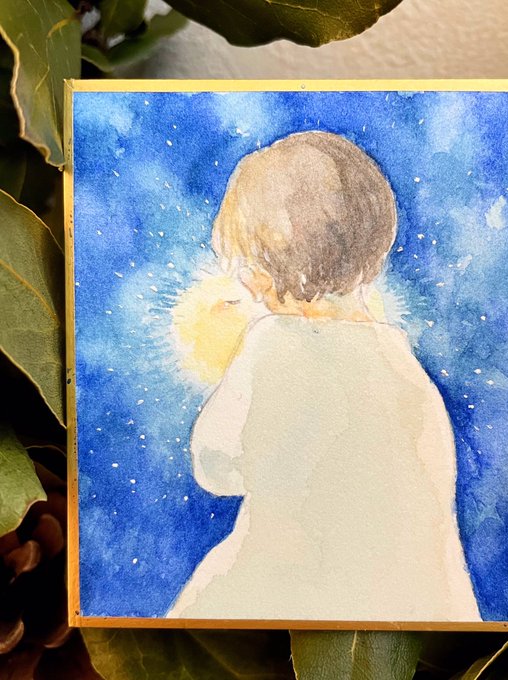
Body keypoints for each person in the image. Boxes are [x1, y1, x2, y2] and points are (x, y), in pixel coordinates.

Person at [167, 131, 480, 621]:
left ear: (264, 272)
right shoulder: (407, 373)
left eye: (247, 264)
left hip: (297, 585)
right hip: (418, 601)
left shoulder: (274, 345)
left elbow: (213, 463)